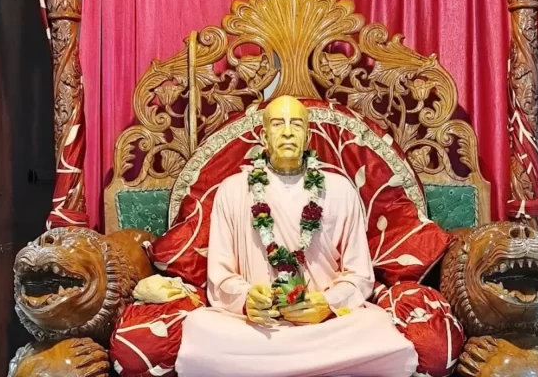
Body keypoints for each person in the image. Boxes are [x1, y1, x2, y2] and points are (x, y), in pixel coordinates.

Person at [175, 96, 418, 377]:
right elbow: (220, 276)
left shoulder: (339, 189)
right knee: (199, 329)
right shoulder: (233, 189)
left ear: (307, 138)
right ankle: (316, 366)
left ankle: (271, 367)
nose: (288, 132)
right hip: (258, 326)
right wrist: (247, 299)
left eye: (297, 124)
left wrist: (327, 303)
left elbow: (360, 275)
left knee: (377, 328)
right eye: (278, 124)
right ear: (264, 137)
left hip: (324, 326)